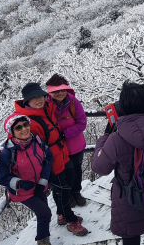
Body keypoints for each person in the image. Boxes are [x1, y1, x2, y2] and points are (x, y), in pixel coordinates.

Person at [92, 82, 144, 245]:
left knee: (130, 240)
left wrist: (105, 137)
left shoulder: (117, 138)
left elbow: (99, 167)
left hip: (129, 203)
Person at [15, 82, 89, 236]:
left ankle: (61, 214)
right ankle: (70, 219)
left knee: (68, 181)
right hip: (49, 160)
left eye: (40, 96)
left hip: (61, 152)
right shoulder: (27, 122)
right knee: (62, 188)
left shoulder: (47, 109)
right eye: (33, 98)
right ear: (26, 101)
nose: (38, 100)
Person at [0, 114, 54, 245]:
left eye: (25, 125)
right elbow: (2, 177)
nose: (24, 129)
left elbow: (48, 158)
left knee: (44, 214)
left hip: (39, 185)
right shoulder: (8, 153)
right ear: (12, 132)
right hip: (21, 192)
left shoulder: (37, 141)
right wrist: (19, 183)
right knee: (45, 213)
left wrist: (43, 180)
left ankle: (43, 238)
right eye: (18, 127)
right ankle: (43, 241)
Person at [45, 74, 88, 208]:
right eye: (56, 91)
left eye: (63, 89)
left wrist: (64, 134)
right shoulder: (45, 106)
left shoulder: (74, 102)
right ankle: (66, 195)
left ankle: (76, 193)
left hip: (75, 145)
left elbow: (82, 122)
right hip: (57, 148)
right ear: (50, 91)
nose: (60, 93)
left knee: (76, 169)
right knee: (62, 173)